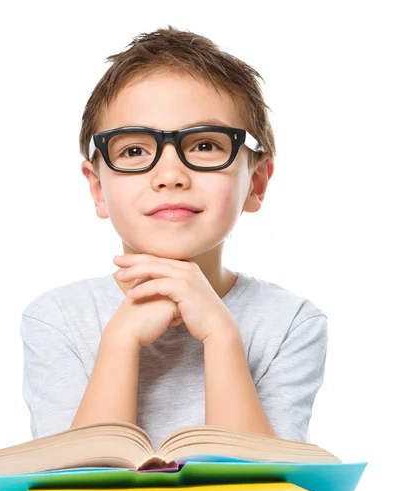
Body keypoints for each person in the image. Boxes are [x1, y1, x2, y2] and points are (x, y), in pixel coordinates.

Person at [20, 26, 328, 449]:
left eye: (204, 145)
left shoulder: (289, 323)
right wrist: (120, 342)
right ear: (97, 188)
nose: (169, 176)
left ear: (256, 182)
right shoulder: (58, 319)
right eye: (133, 151)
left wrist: (221, 336)